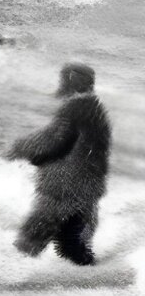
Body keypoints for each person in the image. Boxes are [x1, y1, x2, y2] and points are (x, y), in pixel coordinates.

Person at [6, 63, 111, 265]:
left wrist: (20, 148)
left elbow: (54, 140)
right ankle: (84, 271)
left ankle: (12, 268)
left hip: (65, 185)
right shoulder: (95, 108)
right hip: (88, 183)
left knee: (36, 233)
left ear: (70, 85)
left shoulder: (75, 109)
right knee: (72, 238)